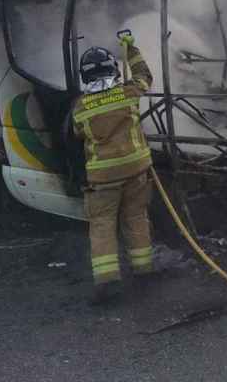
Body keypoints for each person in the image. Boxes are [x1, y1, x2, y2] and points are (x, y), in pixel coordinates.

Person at [72, 32, 157, 304]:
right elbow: (145, 75)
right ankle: (144, 272)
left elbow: (77, 135)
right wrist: (130, 47)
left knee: (102, 225)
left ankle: (108, 283)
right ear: (113, 69)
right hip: (136, 170)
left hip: (103, 178)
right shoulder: (128, 93)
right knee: (135, 218)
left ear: (84, 76)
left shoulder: (80, 108)